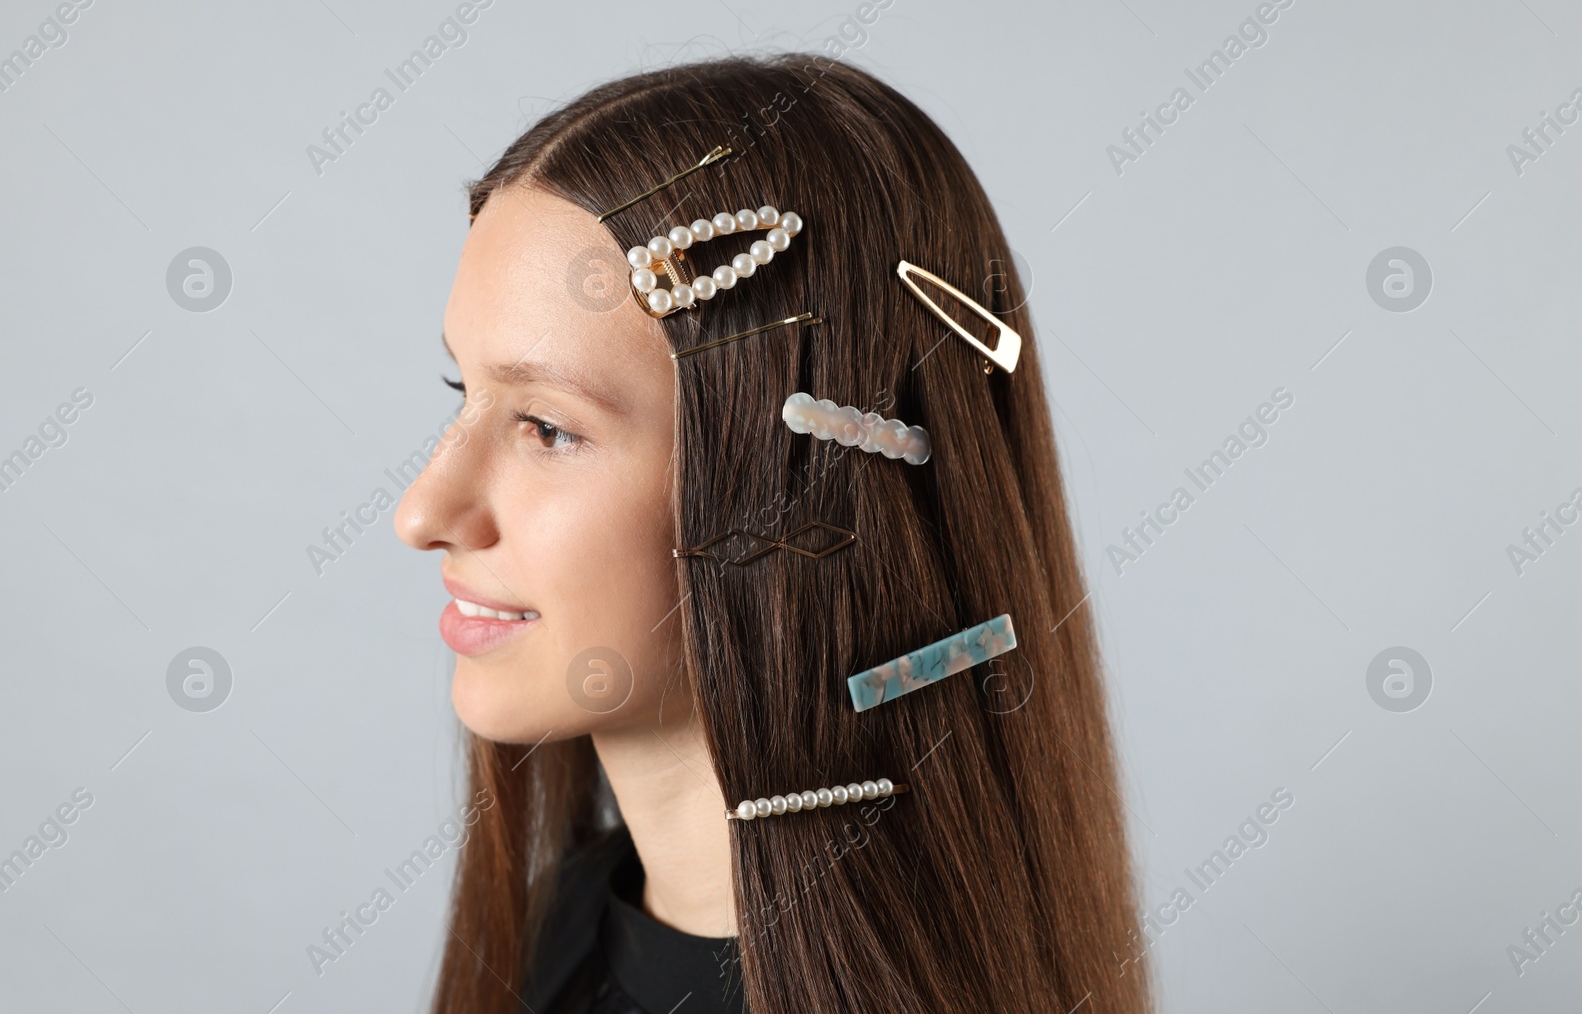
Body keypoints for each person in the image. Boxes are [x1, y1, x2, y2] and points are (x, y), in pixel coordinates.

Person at [395, 52, 1151, 1014]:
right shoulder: (567, 928)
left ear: (798, 483)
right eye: (465, 392)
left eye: (547, 427)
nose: (422, 512)